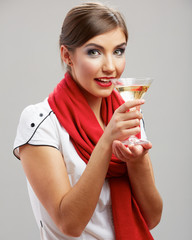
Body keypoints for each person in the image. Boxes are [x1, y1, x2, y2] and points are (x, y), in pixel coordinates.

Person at [13, 2, 163, 240]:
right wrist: (106, 142)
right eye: (94, 52)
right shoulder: (40, 121)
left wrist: (137, 162)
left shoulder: (124, 116)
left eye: (118, 51)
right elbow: (69, 223)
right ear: (67, 55)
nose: (110, 67)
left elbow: (152, 218)